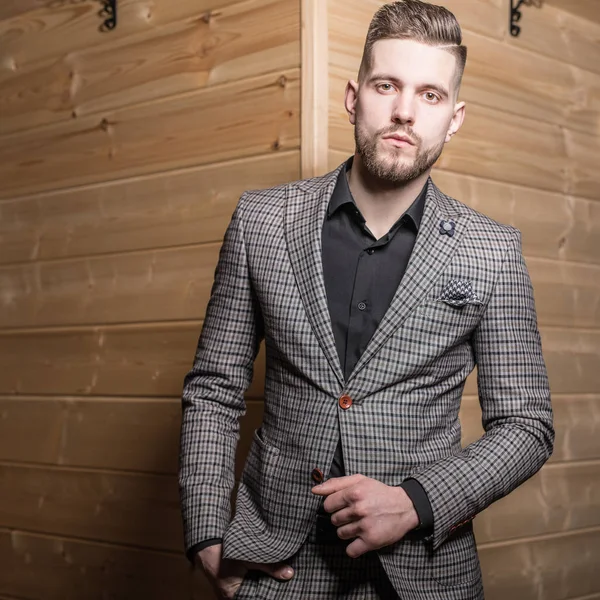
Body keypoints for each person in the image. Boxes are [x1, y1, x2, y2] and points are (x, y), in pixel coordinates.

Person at [178, 1, 554, 598]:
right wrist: (205, 534)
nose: (405, 111)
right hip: (275, 566)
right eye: (387, 85)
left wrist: (415, 502)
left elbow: (526, 426)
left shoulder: (492, 251)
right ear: (355, 95)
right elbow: (214, 389)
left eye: (430, 96)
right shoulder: (262, 221)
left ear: (454, 119)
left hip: (427, 574)